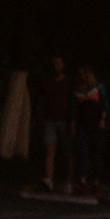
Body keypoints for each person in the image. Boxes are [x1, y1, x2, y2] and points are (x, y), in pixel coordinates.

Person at [68, 64, 109, 194]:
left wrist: (102, 118)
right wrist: (73, 124)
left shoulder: (98, 87)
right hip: (82, 124)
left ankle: (96, 182)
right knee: (82, 151)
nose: (82, 77)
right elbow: (74, 108)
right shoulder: (77, 89)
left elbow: (104, 104)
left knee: (96, 152)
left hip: (95, 123)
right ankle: (82, 181)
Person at [36, 56, 71, 191]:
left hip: (64, 120)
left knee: (67, 151)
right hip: (50, 119)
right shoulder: (47, 82)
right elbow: (41, 100)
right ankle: (49, 178)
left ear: (62, 65)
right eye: (54, 64)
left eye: (59, 63)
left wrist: (71, 120)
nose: (56, 66)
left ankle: (68, 182)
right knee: (50, 150)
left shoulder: (67, 82)